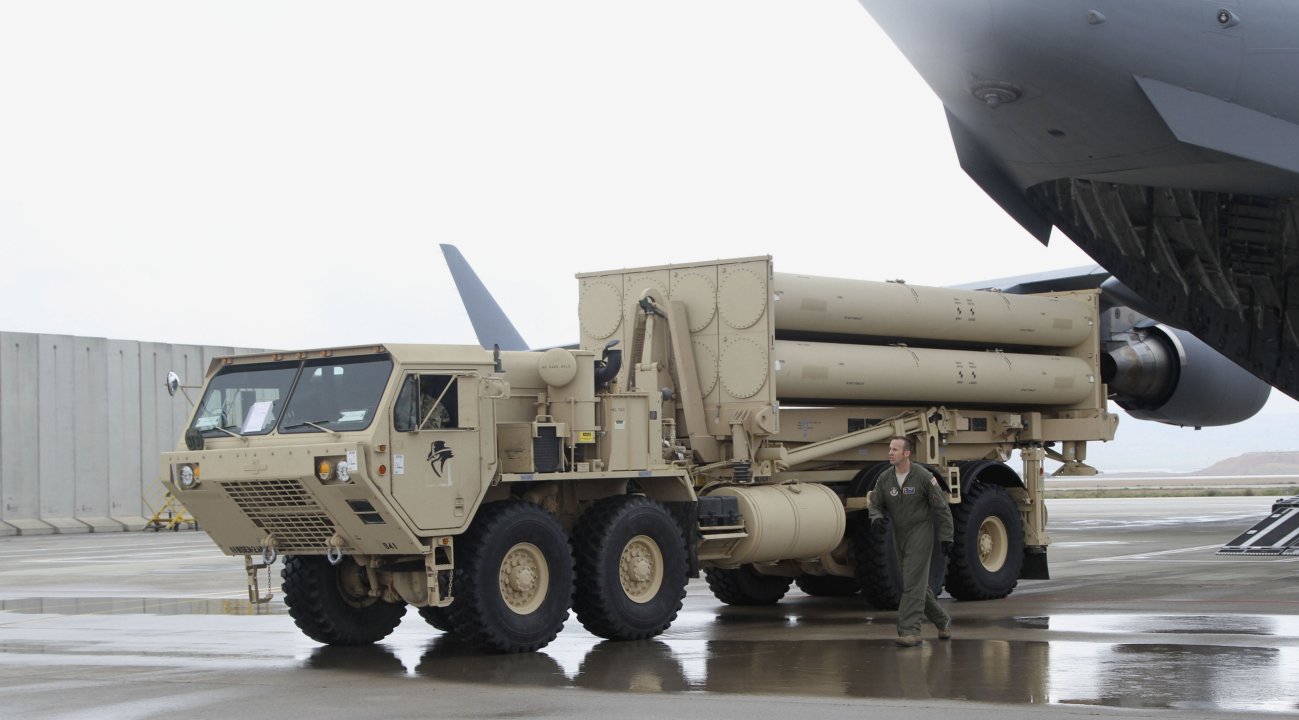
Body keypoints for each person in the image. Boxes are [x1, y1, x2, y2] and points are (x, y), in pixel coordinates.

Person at [867, 435, 954, 647]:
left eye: (895, 449)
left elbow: (941, 508)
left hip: (920, 533)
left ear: (907, 453)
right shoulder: (885, 479)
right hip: (899, 534)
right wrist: (876, 518)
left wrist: (946, 537)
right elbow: (875, 503)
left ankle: (910, 630)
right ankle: (942, 620)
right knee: (914, 583)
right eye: (889, 449)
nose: (890, 453)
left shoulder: (923, 477)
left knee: (913, 582)